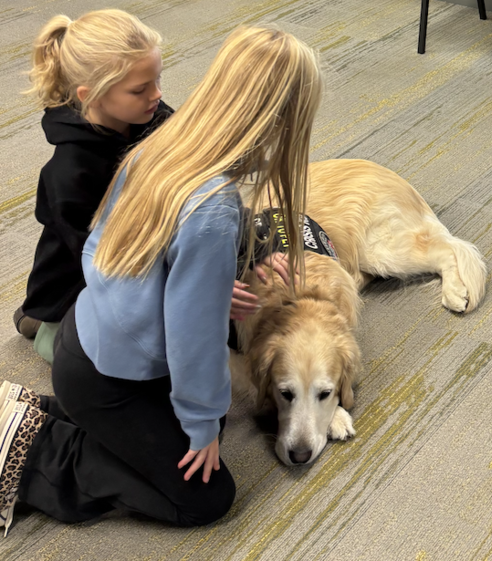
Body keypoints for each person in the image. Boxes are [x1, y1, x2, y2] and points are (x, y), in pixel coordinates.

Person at [0, 26, 323, 533]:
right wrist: (198, 424)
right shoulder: (211, 208)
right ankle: (38, 448)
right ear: (278, 121)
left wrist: (227, 275)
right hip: (103, 374)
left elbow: (104, 249)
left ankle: (51, 412)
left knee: (209, 416)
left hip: (91, 337)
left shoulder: (170, 139)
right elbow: (196, 339)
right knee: (206, 498)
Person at [16, 11, 172, 363]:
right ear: (93, 96)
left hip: (135, 245)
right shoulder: (69, 173)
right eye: (140, 89)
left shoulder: (152, 114)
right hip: (79, 278)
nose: (157, 94)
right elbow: (98, 264)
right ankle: (44, 324)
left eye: (157, 80)